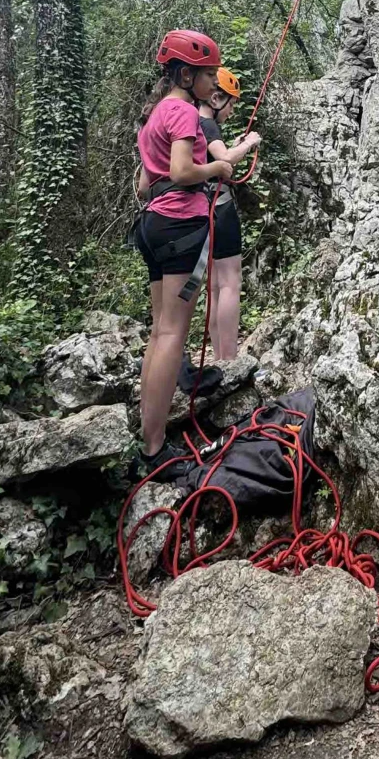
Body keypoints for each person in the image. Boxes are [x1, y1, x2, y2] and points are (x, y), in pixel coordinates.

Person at [130, 30, 259, 480]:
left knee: (158, 332)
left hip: (151, 226)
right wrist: (219, 168)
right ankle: (154, 447)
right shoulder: (184, 111)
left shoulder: (155, 114)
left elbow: (146, 185)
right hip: (180, 226)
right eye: (207, 75)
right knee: (171, 335)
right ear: (186, 74)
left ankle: (147, 431)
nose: (213, 83)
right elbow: (184, 171)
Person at [195, 66, 258, 365]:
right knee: (230, 282)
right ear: (216, 98)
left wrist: (233, 147)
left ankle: (220, 357)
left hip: (202, 211)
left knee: (215, 286)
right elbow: (224, 159)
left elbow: (214, 156)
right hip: (219, 209)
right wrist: (248, 144)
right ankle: (230, 359)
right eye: (231, 104)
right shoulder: (207, 124)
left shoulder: (192, 123)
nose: (232, 111)